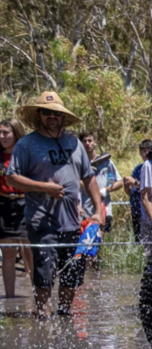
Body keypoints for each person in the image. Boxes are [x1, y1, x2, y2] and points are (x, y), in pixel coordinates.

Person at [7, 91, 105, 317]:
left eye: (56, 113)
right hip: (41, 220)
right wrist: (45, 188)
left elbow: (89, 177)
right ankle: (42, 316)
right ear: (39, 115)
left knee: (72, 272)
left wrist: (98, 212)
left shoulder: (73, 143)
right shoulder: (26, 144)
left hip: (72, 221)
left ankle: (64, 314)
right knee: (44, 270)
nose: (52, 116)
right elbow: (12, 177)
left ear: (63, 117)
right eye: (47, 112)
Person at [0, 118, 33, 298]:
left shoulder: (26, 154)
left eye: (6, 133)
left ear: (16, 133)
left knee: (30, 249)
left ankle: (38, 295)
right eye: (0, 133)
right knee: (8, 252)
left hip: (26, 203)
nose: (2, 136)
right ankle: (10, 298)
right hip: (4, 205)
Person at [78, 131, 122, 233]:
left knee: (99, 241)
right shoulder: (78, 163)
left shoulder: (106, 162)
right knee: (86, 242)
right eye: (85, 141)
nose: (88, 143)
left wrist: (107, 189)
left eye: (90, 141)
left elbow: (117, 182)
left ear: (95, 142)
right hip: (85, 210)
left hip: (104, 208)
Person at [123, 140, 151, 242]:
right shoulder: (138, 168)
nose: (146, 153)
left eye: (148, 150)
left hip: (148, 211)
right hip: (136, 209)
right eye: (143, 151)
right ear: (140, 153)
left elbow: (150, 187)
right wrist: (127, 186)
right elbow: (131, 191)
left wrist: (134, 182)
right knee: (138, 241)